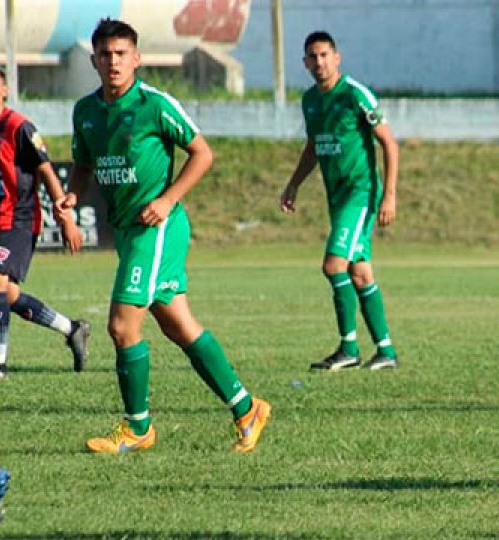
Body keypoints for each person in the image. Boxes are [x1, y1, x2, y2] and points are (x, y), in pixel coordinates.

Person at [57, 18, 270, 454]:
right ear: (93, 60)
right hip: (130, 232)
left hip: (157, 228)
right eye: (105, 54)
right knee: (179, 325)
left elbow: (202, 153)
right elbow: (83, 164)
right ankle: (247, 408)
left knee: (121, 326)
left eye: (121, 54)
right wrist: (72, 198)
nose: (113, 61)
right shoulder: (86, 112)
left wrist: (169, 199)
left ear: (136, 58)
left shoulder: (155, 105)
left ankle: (138, 428)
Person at [281, 31, 400, 371]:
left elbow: (389, 144)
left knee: (333, 265)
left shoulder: (355, 94)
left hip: (360, 193)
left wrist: (389, 195)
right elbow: (314, 146)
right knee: (360, 273)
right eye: (312, 57)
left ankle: (348, 348)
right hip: (337, 197)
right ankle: (386, 351)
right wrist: (293, 184)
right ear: (305, 63)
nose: (319, 62)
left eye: (324, 55)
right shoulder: (310, 101)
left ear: (337, 57)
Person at [0, 63, 89, 379]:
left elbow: (46, 170)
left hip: (19, 220)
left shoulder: (20, 128)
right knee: (7, 294)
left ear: (5, 90)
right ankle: (71, 328)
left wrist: (66, 218)